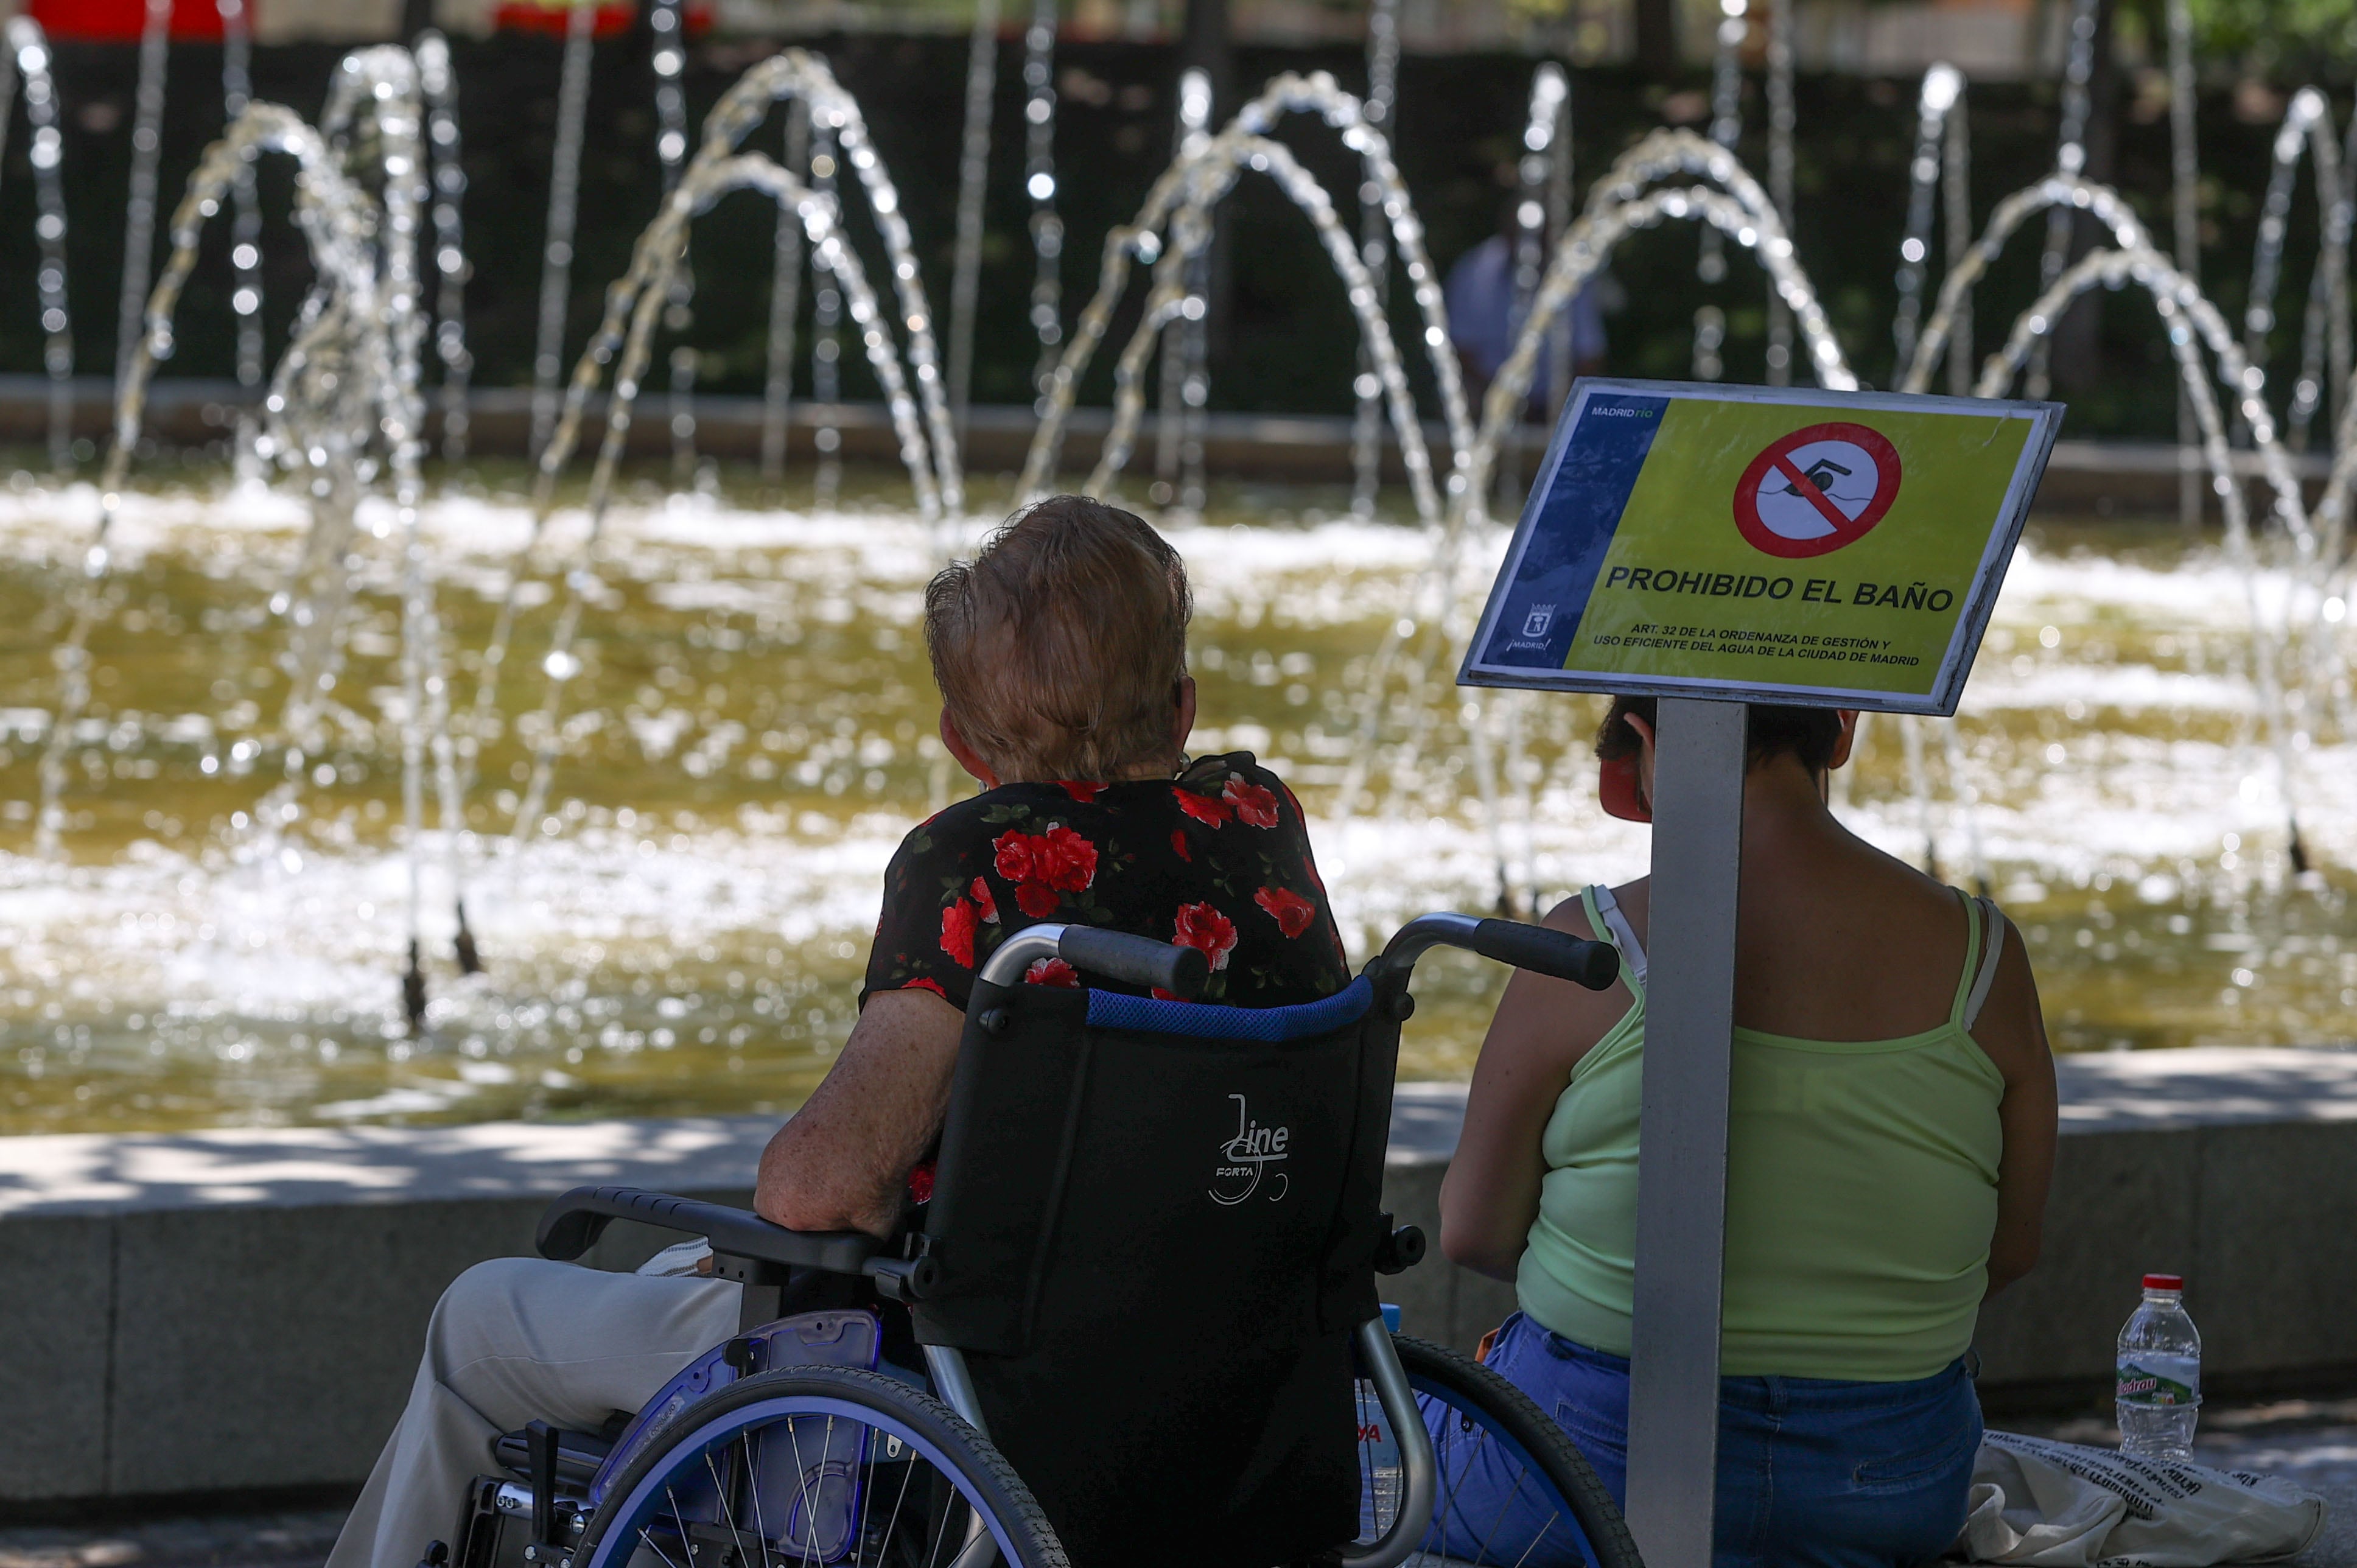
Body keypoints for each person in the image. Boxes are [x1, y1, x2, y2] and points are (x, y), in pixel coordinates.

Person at [326, 496, 1352, 1568]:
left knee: (482, 1317)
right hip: (1231, 1350)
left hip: (961, 1367)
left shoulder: (983, 862)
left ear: (961, 742)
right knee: (684, 1270)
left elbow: (821, 1192)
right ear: (1182, 709)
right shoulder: (1258, 827)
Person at [1432, 698, 2058, 1568]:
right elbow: (2012, 1250)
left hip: (1588, 1467)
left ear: (1647, 740)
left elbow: (1472, 1231)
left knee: (1373, 1442)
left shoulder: (1591, 946)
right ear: (1843, 729)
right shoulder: (1986, 956)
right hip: (1888, 1482)